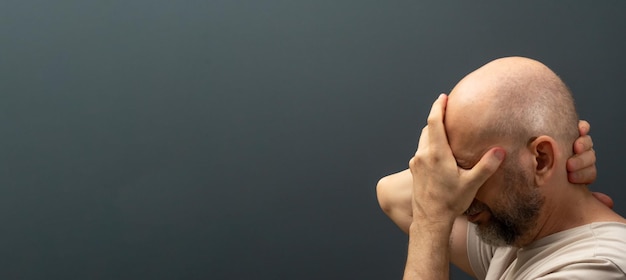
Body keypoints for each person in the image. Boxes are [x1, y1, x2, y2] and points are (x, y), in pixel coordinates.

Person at [378, 57, 626, 279]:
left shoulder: (598, 267)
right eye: (451, 170)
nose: (460, 195)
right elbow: (392, 195)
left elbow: (426, 210)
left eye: (470, 171)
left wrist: (433, 220)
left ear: (541, 159)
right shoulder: (518, 236)